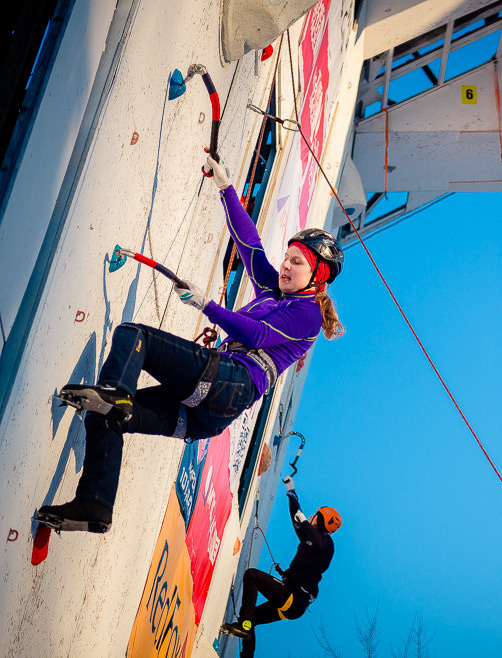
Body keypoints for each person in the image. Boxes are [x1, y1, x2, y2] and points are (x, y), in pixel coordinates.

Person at [38, 155, 344, 533]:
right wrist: (225, 188)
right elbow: (249, 244)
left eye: (296, 262)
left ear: (318, 274)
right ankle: (94, 505)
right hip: (212, 413)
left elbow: (257, 335)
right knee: (111, 414)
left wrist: (207, 306)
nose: (285, 265)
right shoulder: (275, 288)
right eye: (286, 257)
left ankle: (115, 394)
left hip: (232, 382)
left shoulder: (308, 313)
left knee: (134, 337)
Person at [221, 476, 339, 657]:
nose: (310, 516)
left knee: (252, 576)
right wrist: (291, 493)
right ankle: (247, 653)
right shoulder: (309, 538)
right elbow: (297, 519)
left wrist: (305, 523)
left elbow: (314, 538)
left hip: (294, 598)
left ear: (322, 520)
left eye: (314, 515)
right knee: (251, 618)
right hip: (291, 602)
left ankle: (244, 626)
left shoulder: (326, 544)